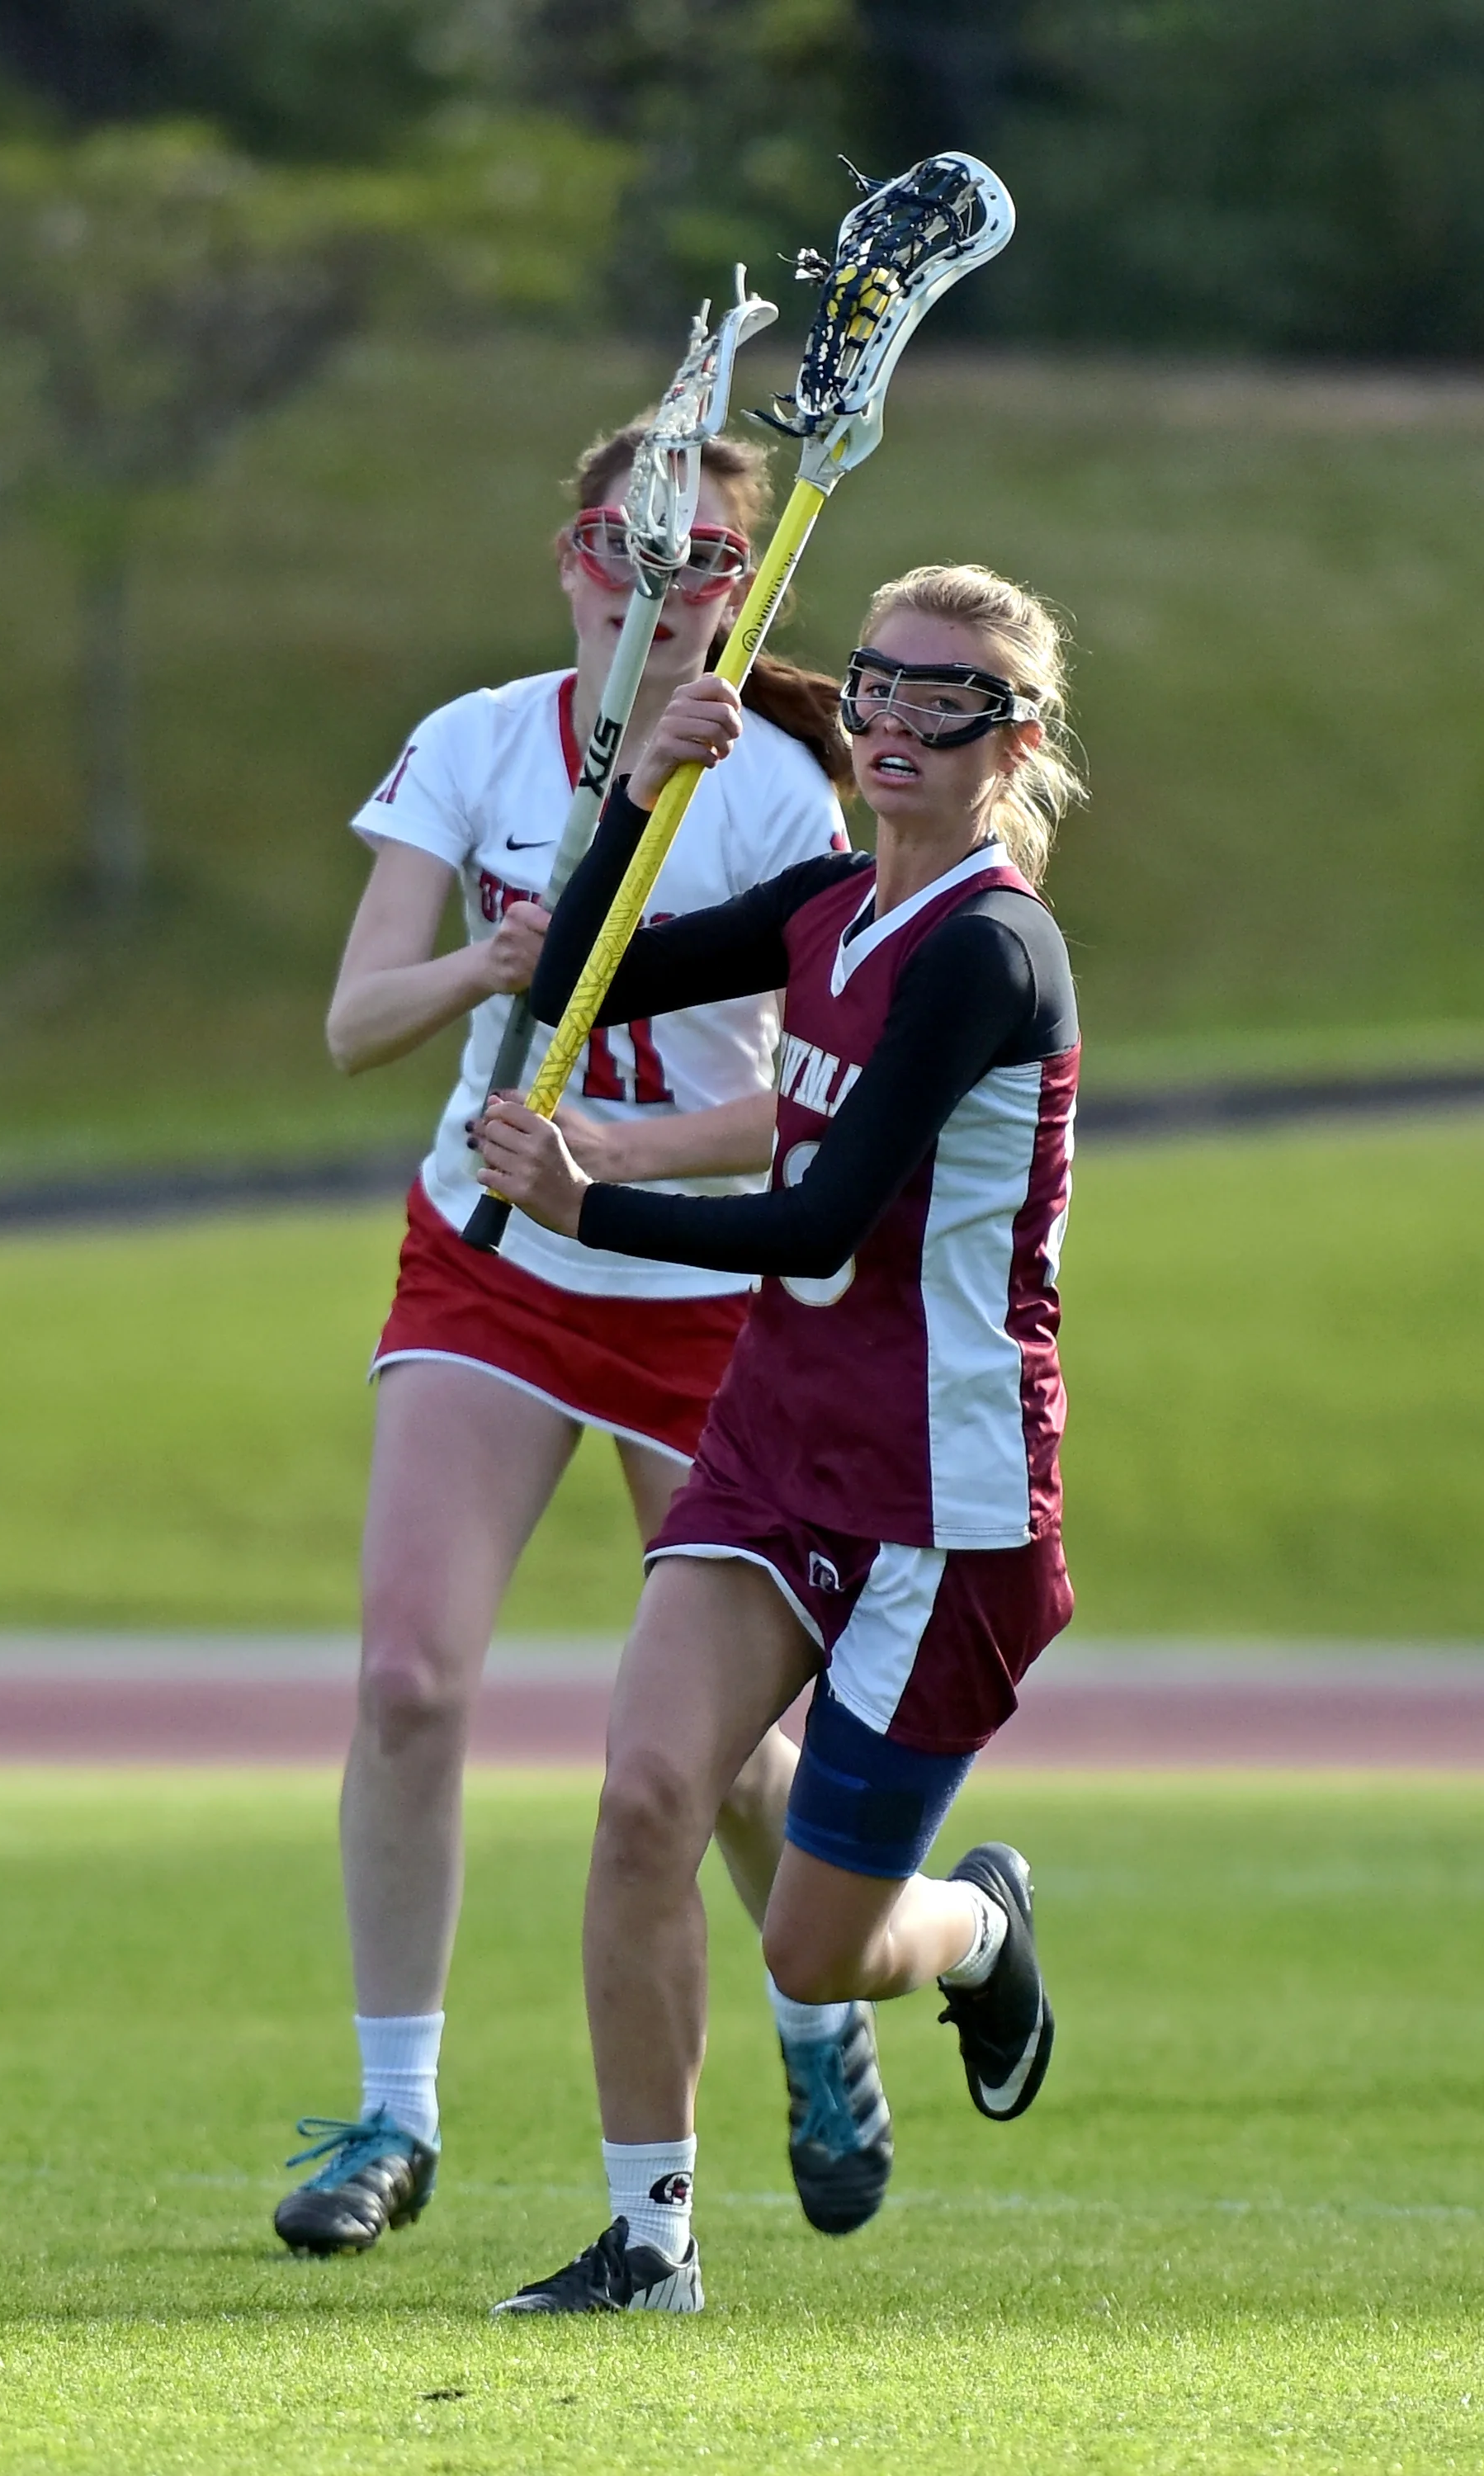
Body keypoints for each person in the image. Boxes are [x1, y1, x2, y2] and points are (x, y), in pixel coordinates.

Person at [272, 422, 895, 2260]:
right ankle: (392, 2118)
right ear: (571, 555)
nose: (664, 577)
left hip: (698, 1280)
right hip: (489, 1273)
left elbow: (803, 1115)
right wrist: (487, 970)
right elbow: (352, 1024)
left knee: (724, 1762)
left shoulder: (779, 786)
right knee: (408, 1679)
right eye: (633, 543)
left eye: (707, 556)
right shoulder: (473, 743)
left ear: (741, 584)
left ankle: (816, 2009)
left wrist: (608, 1156)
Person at [476, 562, 1087, 2313]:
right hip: (777, 1449)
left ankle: (977, 1931)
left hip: (944, 1500)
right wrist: (645, 781)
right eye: (880, 685)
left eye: (944, 699)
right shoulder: (826, 901)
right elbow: (581, 972)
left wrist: (590, 1211)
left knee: (822, 1945)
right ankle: (648, 2242)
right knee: (643, 1798)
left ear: (1012, 741)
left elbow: (819, 1222)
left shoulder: (989, 951)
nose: (892, 719)